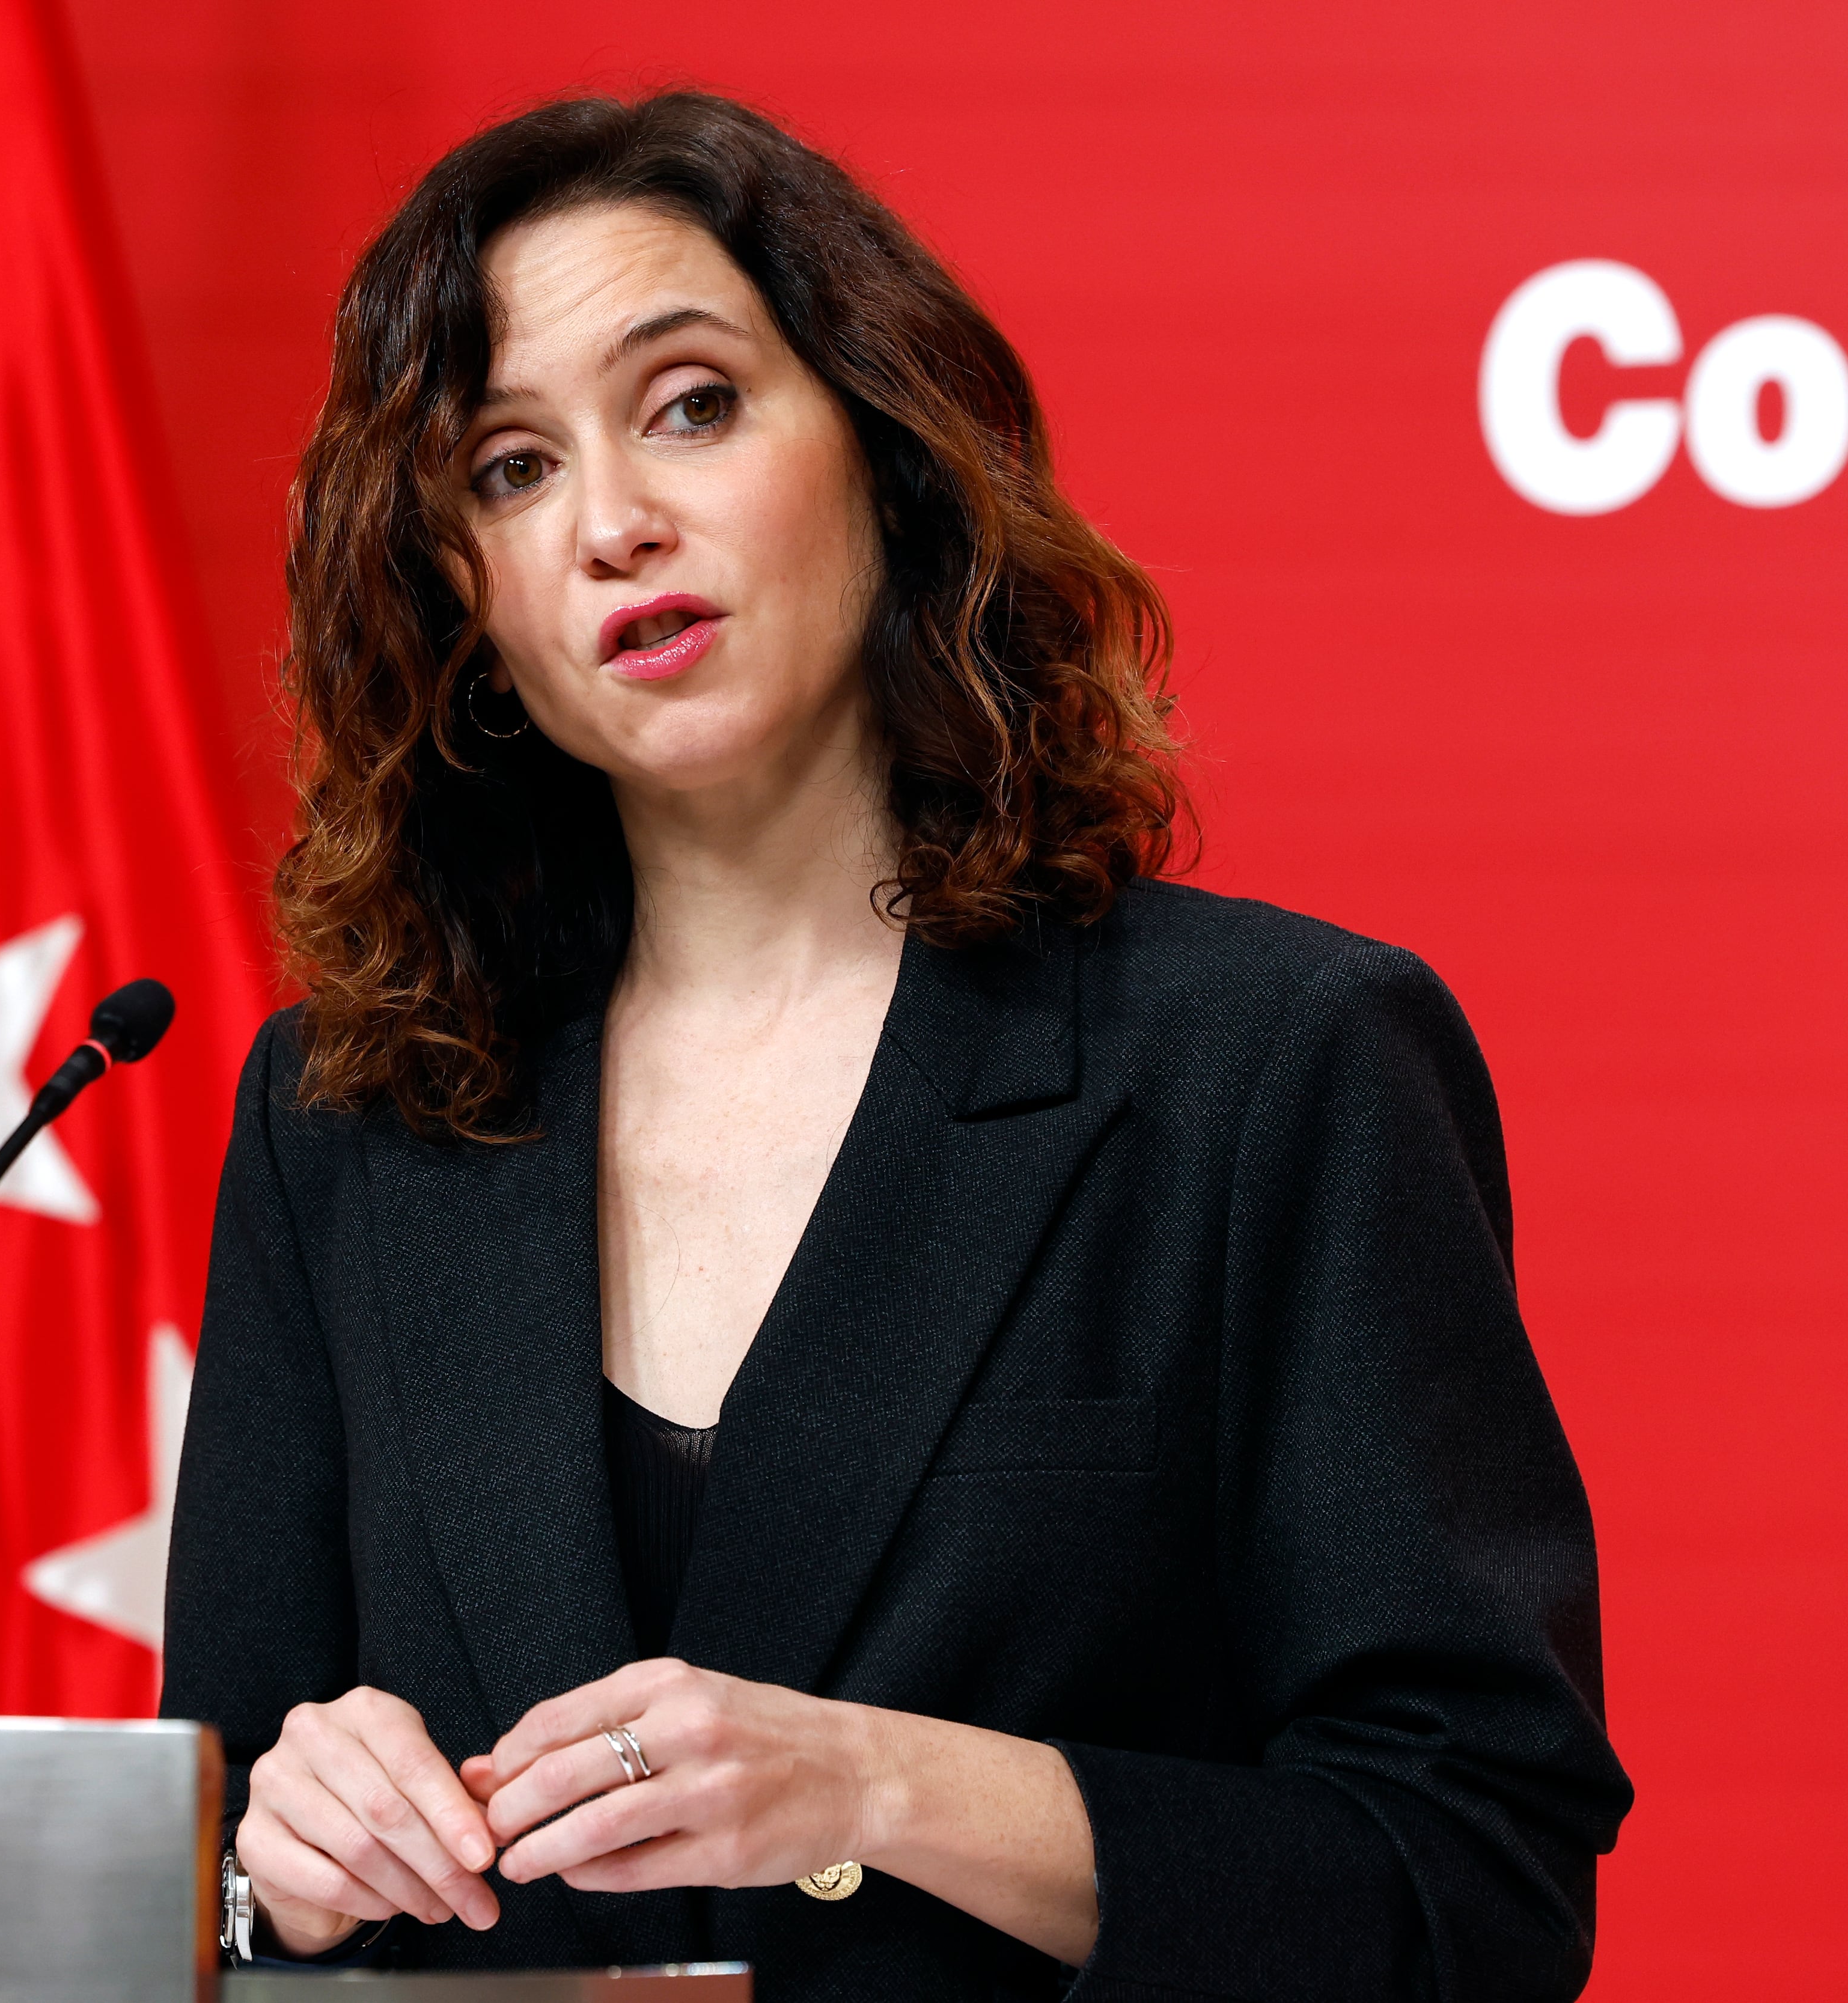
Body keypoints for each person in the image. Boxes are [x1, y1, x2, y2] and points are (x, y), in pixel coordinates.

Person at [159, 91, 1629, 2003]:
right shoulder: (348, 1123)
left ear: (885, 447)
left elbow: (1477, 1884)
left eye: (690, 404)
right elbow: (211, 1887)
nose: (615, 524)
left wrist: (880, 1783)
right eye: (510, 470)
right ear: (462, 605)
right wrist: (286, 1867)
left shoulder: (1277, 1068)